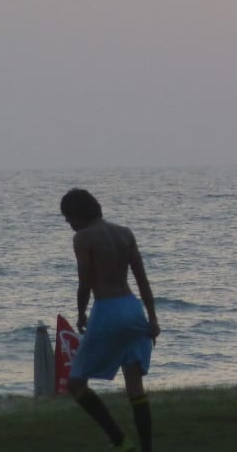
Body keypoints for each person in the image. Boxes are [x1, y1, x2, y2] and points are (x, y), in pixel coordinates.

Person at [60, 188, 160, 452]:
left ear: (77, 215)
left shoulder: (83, 238)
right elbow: (142, 280)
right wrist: (152, 318)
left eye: (68, 218)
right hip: (132, 307)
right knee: (135, 385)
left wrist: (81, 312)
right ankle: (147, 448)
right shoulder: (125, 233)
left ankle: (120, 441)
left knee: (75, 383)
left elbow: (85, 282)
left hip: (107, 309)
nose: (69, 225)